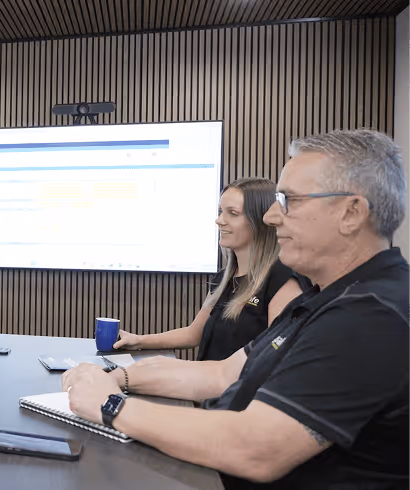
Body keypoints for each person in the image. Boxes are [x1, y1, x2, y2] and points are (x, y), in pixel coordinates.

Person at [62, 129, 408, 488]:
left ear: (351, 213)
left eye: (289, 200)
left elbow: (256, 448)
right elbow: (219, 375)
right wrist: (116, 379)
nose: (272, 217)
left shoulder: (370, 316)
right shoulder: (323, 299)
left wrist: (110, 406)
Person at [114, 178, 303, 360]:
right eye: (221, 211)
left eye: (233, 213)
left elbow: (275, 357)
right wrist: (139, 340)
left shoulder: (282, 279)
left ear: (262, 221)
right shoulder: (223, 279)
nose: (219, 220)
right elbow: (193, 334)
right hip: (206, 387)